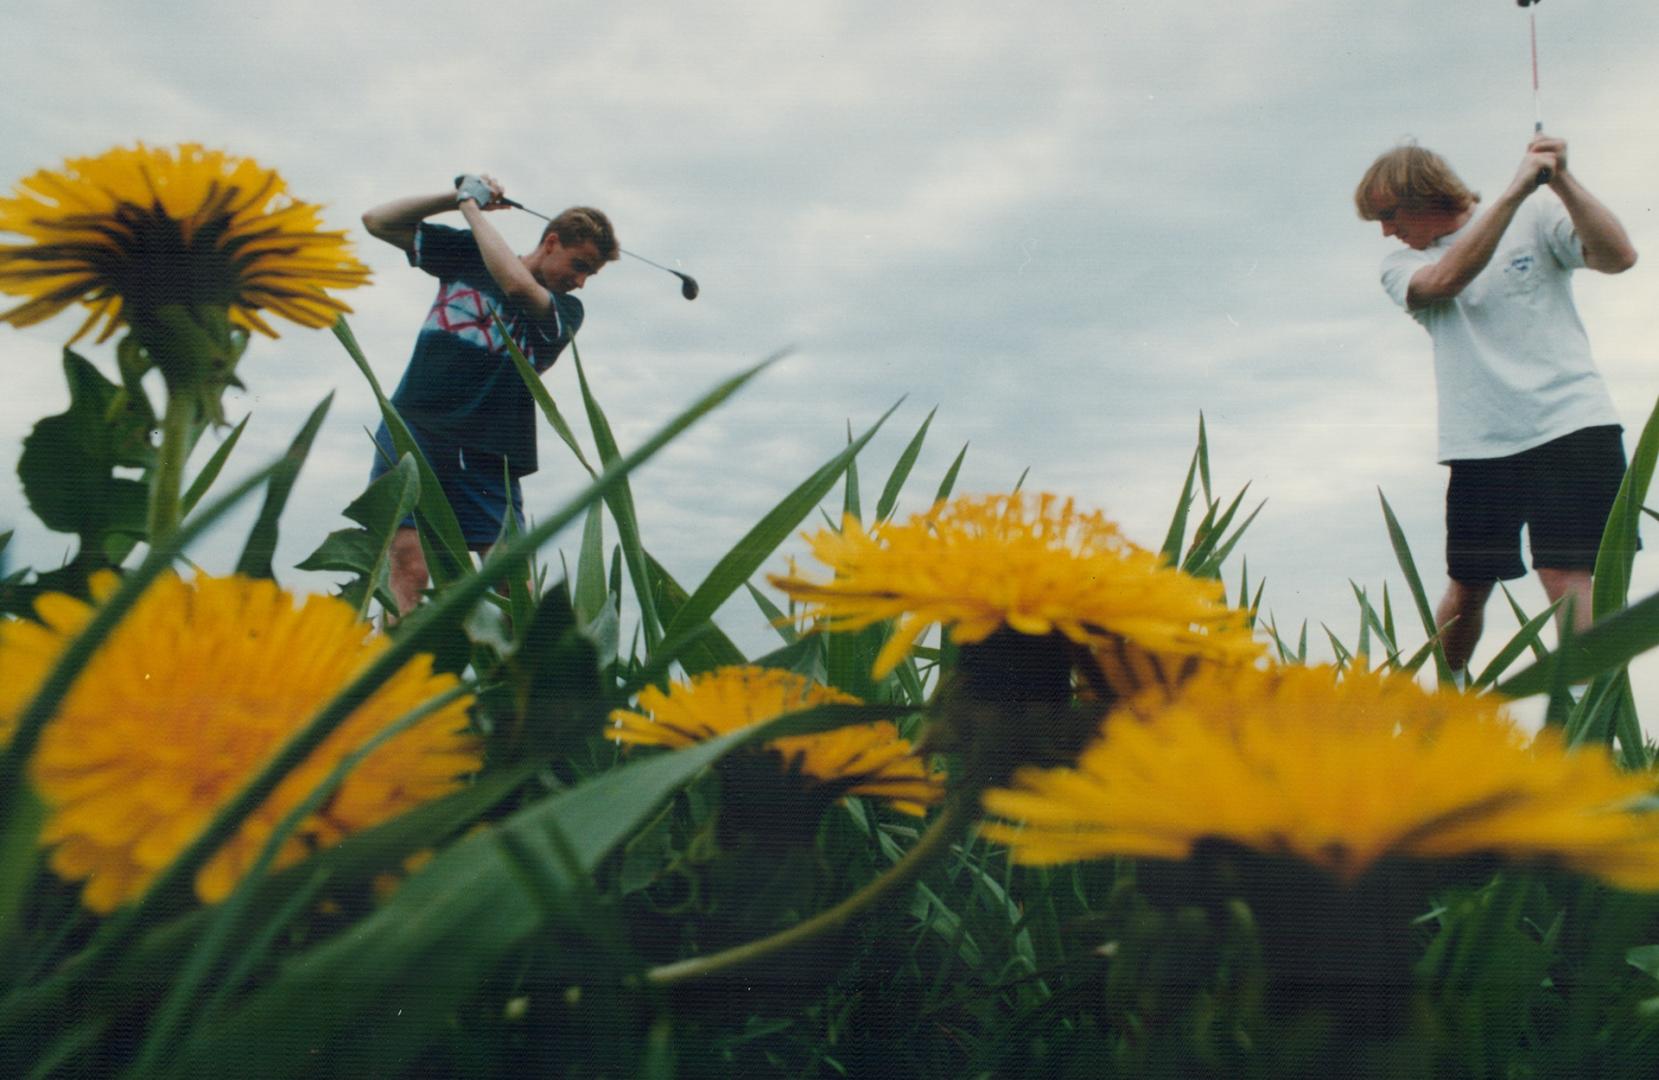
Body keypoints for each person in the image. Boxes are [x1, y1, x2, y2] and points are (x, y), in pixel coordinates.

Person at [1354, 136, 1637, 682]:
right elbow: (1444, 281)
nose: (1386, 231)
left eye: (1388, 214)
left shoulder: (1539, 215)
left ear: (1425, 194)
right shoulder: (1402, 264)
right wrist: (1512, 193)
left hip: (1572, 425)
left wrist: (1563, 180)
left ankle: (1590, 720)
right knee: (1469, 585)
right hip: (1481, 445)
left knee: (1566, 577)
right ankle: (1447, 703)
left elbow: (1619, 257)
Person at [361, 175, 618, 614]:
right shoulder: (466, 254)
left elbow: (517, 286)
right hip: (414, 427)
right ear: (552, 242)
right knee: (409, 565)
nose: (581, 281)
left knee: (509, 582)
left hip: (488, 452)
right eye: (579, 266)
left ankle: (517, 677)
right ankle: (402, 676)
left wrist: (471, 209)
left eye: (589, 274)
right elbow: (376, 221)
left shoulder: (567, 312)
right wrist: (453, 196)